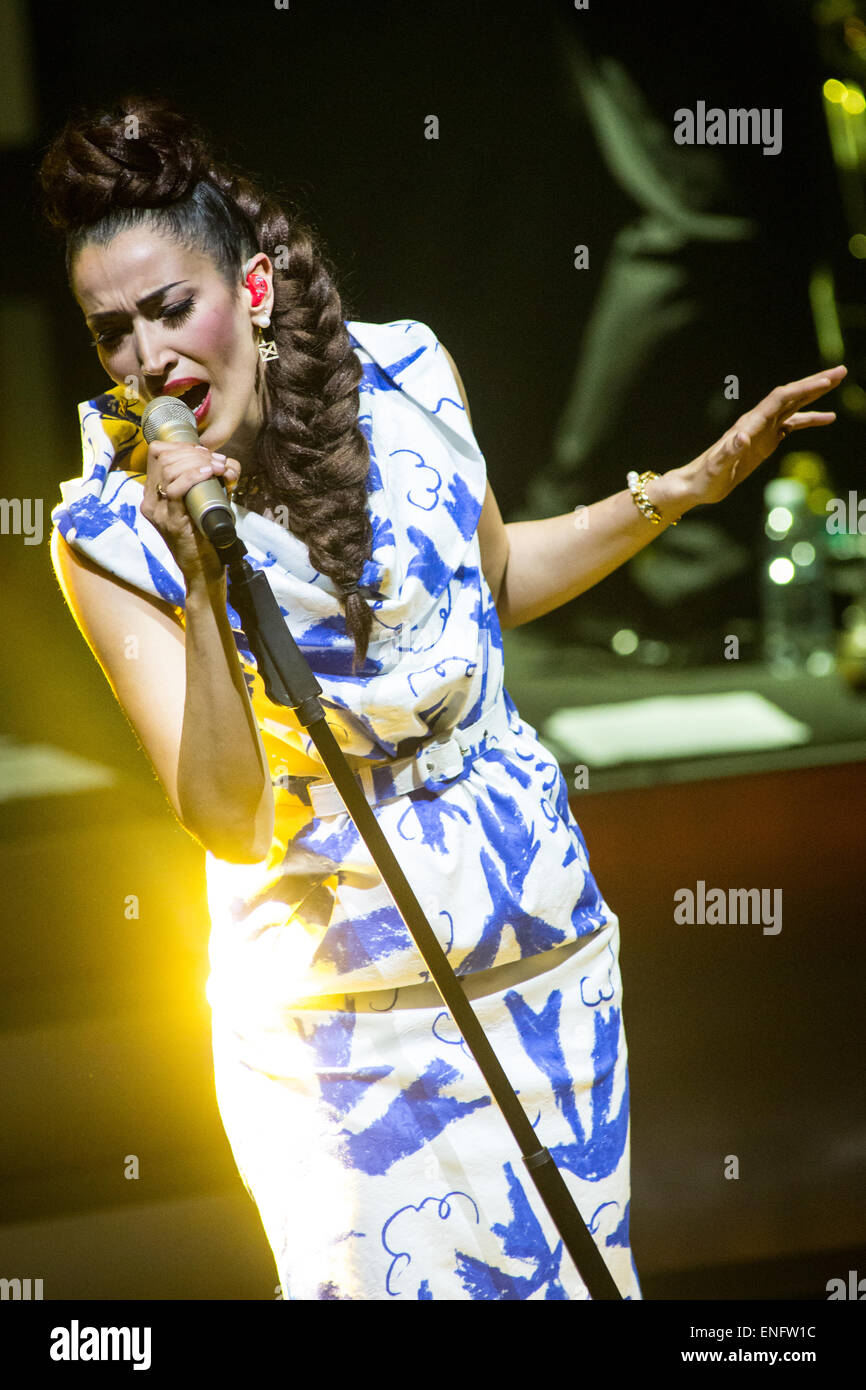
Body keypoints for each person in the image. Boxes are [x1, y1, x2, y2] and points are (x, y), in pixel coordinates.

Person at [38, 95, 844, 1301]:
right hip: (340, 1036)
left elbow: (498, 574)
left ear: (249, 292)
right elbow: (224, 814)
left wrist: (675, 493)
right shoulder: (105, 531)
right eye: (113, 333)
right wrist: (204, 582)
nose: (148, 357)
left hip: (539, 970)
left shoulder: (408, 369)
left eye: (171, 309)